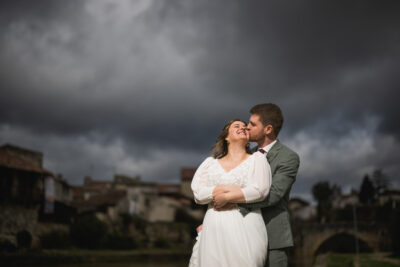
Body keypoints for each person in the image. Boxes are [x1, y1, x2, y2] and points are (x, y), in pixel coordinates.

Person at [195, 103, 300, 267]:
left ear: (268, 129)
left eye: (252, 124)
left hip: (273, 235)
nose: (247, 127)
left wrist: (229, 201)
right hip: (237, 234)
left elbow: (273, 194)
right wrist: (214, 222)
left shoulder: (288, 157)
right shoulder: (248, 156)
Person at [189, 119, 272, 267]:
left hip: (246, 223)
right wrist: (220, 190)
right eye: (236, 126)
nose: (243, 128)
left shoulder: (257, 159)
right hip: (214, 225)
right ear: (226, 137)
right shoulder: (210, 163)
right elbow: (198, 192)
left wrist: (226, 197)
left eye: (245, 127)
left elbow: (261, 189)